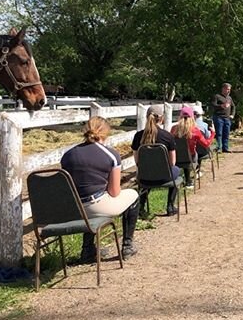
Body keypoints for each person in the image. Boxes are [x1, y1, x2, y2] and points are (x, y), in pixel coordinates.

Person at [61, 116, 139, 261]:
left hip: (73, 208)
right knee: (133, 195)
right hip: (95, 205)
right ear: (106, 133)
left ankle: (87, 249)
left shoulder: (68, 155)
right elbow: (114, 192)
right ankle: (127, 245)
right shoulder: (111, 154)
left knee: (89, 199)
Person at [131, 105, 181, 218]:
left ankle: (142, 206)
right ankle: (170, 206)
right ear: (162, 118)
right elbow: (172, 162)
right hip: (164, 175)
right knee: (177, 170)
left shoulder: (138, 136)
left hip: (145, 176)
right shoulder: (167, 136)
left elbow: (137, 161)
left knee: (144, 174)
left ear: (146, 117)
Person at [171, 106, 216, 188]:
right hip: (190, 158)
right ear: (192, 117)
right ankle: (190, 179)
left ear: (180, 117)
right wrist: (212, 133)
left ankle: (185, 179)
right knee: (192, 152)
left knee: (183, 151)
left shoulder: (174, 129)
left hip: (176, 157)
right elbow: (206, 144)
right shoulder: (195, 130)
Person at [212, 83, 235, 153]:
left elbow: (233, 106)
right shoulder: (217, 96)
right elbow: (213, 105)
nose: (228, 91)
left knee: (226, 133)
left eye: (229, 90)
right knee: (219, 133)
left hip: (227, 118)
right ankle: (219, 148)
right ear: (223, 89)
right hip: (219, 117)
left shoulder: (229, 98)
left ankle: (225, 148)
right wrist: (221, 106)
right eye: (227, 89)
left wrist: (232, 115)